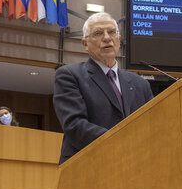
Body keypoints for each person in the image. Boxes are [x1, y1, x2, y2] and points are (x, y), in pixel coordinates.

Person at [53, 12, 153, 164]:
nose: (107, 38)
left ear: (118, 40)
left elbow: (153, 125)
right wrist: (123, 142)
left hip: (135, 166)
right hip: (88, 166)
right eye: (98, 33)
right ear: (85, 44)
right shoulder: (69, 76)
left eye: (112, 32)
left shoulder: (140, 84)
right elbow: (75, 125)